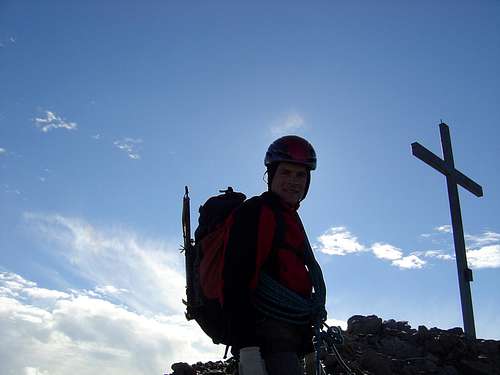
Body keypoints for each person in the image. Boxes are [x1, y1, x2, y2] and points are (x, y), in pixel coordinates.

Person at [223, 135, 327, 375]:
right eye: (286, 173)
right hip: (266, 337)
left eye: (301, 175)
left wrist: (310, 351)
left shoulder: (290, 218)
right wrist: (247, 350)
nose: (294, 181)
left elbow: (295, 287)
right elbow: (235, 280)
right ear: (271, 176)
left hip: (292, 338)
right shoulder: (255, 213)